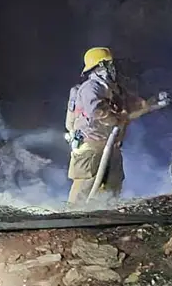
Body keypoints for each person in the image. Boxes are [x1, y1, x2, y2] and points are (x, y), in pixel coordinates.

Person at [64, 47, 150, 205]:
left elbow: (137, 104)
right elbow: (96, 110)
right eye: (110, 65)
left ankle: (104, 214)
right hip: (90, 144)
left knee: (113, 183)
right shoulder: (91, 88)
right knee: (85, 184)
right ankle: (72, 217)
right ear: (100, 67)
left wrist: (157, 101)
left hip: (110, 146)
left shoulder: (113, 90)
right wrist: (116, 119)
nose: (114, 69)